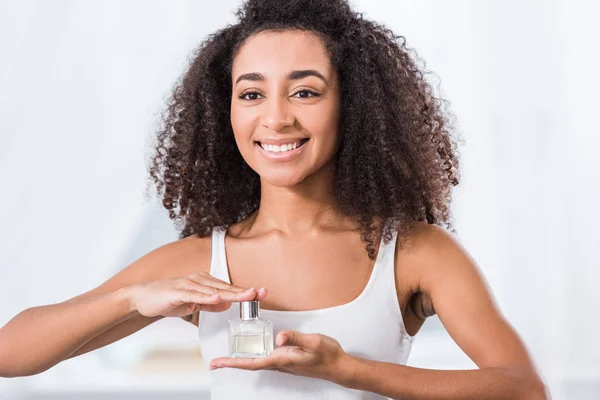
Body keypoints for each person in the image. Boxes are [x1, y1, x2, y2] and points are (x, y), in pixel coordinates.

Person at [0, 0, 548, 398]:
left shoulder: (414, 253)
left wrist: (346, 369)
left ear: (352, 108)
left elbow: (523, 389)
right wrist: (129, 300)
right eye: (252, 93)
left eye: (305, 91)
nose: (277, 117)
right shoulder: (200, 264)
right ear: (226, 112)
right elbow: (9, 355)